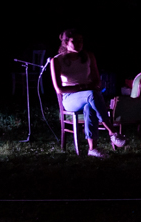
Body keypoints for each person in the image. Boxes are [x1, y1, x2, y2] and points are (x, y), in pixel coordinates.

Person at [49, 29, 129, 157]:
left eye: (81, 41)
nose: (79, 44)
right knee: (91, 95)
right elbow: (59, 89)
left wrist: (90, 87)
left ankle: (93, 148)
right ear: (65, 43)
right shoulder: (56, 61)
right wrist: (83, 88)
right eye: (74, 41)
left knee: (89, 107)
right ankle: (112, 132)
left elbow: (97, 80)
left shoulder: (88, 56)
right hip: (70, 99)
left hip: (88, 95)